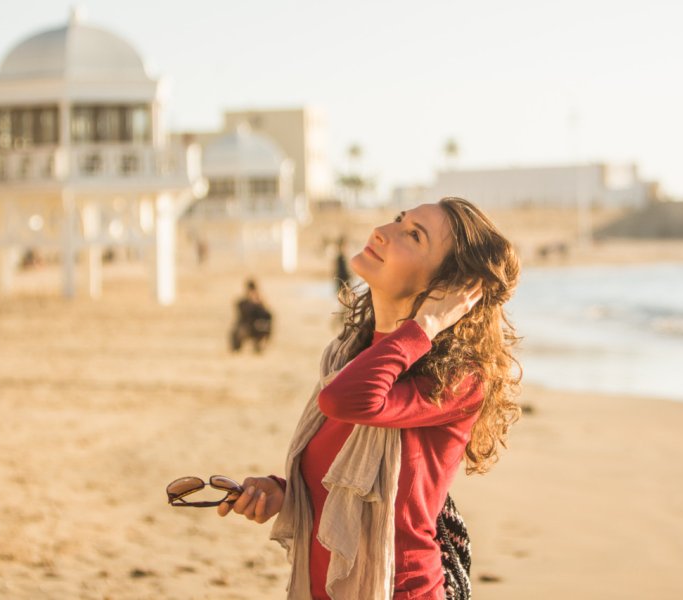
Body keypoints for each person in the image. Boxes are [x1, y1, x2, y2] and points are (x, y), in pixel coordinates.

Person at [218, 197, 521, 599]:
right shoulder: (349, 355)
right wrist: (284, 493)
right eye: (400, 220)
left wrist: (425, 323)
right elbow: (345, 485)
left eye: (414, 235)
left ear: (446, 289)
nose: (383, 230)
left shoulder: (454, 379)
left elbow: (347, 401)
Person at [229, 278, 273, 354]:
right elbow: (242, 313)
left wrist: (259, 304)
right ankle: (237, 349)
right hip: (247, 327)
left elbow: (268, 316)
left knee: (262, 327)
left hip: (256, 327)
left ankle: (258, 347)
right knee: (237, 332)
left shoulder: (260, 303)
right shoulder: (243, 302)